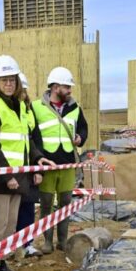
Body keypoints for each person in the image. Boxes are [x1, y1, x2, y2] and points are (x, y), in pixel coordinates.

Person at [0, 55, 54, 271]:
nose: (9, 84)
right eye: (4, 80)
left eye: (12, 80)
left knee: (9, 226)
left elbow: (24, 139)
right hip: (0, 179)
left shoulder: (18, 105)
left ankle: (0, 265)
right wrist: (6, 176)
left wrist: (36, 157)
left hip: (16, 176)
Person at [31, 66, 88, 253]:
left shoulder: (74, 108)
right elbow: (32, 134)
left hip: (67, 164)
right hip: (47, 164)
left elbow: (83, 128)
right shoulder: (36, 107)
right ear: (55, 87)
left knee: (65, 205)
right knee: (46, 205)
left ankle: (62, 241)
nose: (70, 91)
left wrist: (80, 137)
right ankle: (47, 242)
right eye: (67, 87)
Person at [15, 71, 43, 257]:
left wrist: (38, 168)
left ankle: (27, 244)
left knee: (27, 209)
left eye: (24, 90)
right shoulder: (4, 110)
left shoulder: (28, 111)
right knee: (8, 214)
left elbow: (34, 141)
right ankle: (10, 247)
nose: (22, 93)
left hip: (27, 170)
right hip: (11, 169)